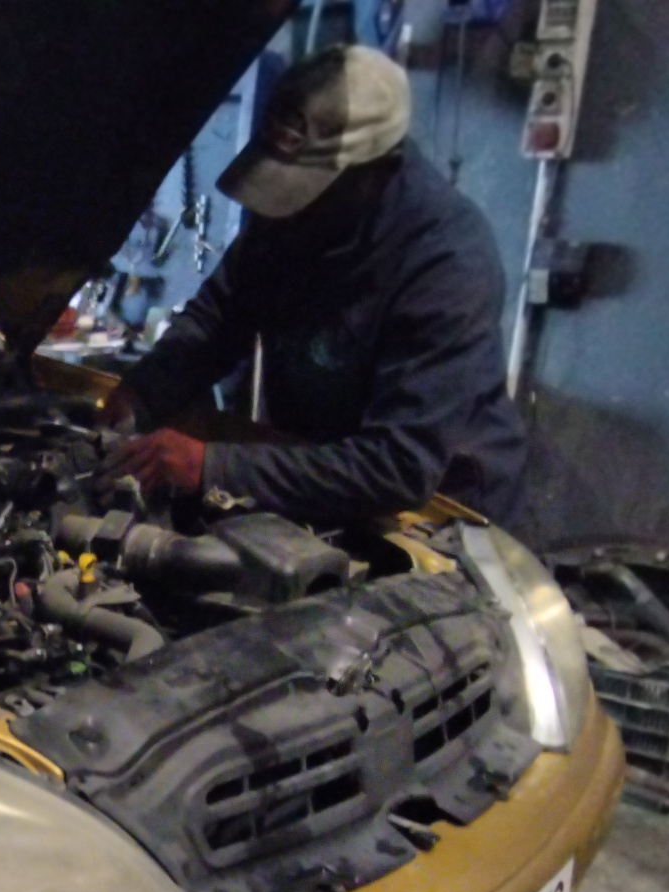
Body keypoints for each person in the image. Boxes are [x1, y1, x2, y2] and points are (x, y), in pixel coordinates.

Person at [104, 44, 529, 530]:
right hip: (319, 478)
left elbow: (399, 466)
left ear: (374, 170)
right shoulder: (293, 222)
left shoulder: (447, 261)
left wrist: (211, 466)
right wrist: (140, 395)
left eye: (305, 191)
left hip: (437, 520)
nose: (285, 212)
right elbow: (218, 320)